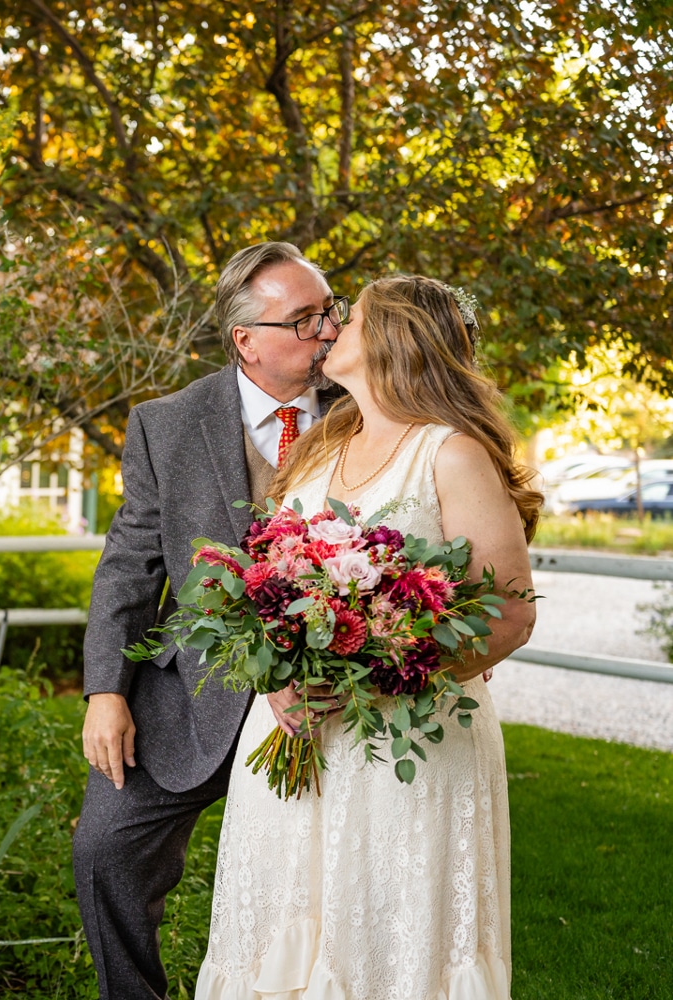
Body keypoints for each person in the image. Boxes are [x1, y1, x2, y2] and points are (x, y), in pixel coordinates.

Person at [194, 276, 540, 999]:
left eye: (345, 318)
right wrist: (279, 673)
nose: (329, 328)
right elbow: (270, 583)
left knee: (386, 945)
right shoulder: (322, 446)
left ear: (393, 337)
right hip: (294, 740)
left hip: (404, 748)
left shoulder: (450, 453)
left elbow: (509, 614)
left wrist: (371, 674)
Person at [75, 242, 344, 999]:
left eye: (330, 311)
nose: (328, 331)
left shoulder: (366, 413)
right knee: (104, 852)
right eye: (305, 320)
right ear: (245, 341)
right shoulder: (167, 425)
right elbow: (130, 566)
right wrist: (106, 691)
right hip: (193, 697)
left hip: (328, 704)